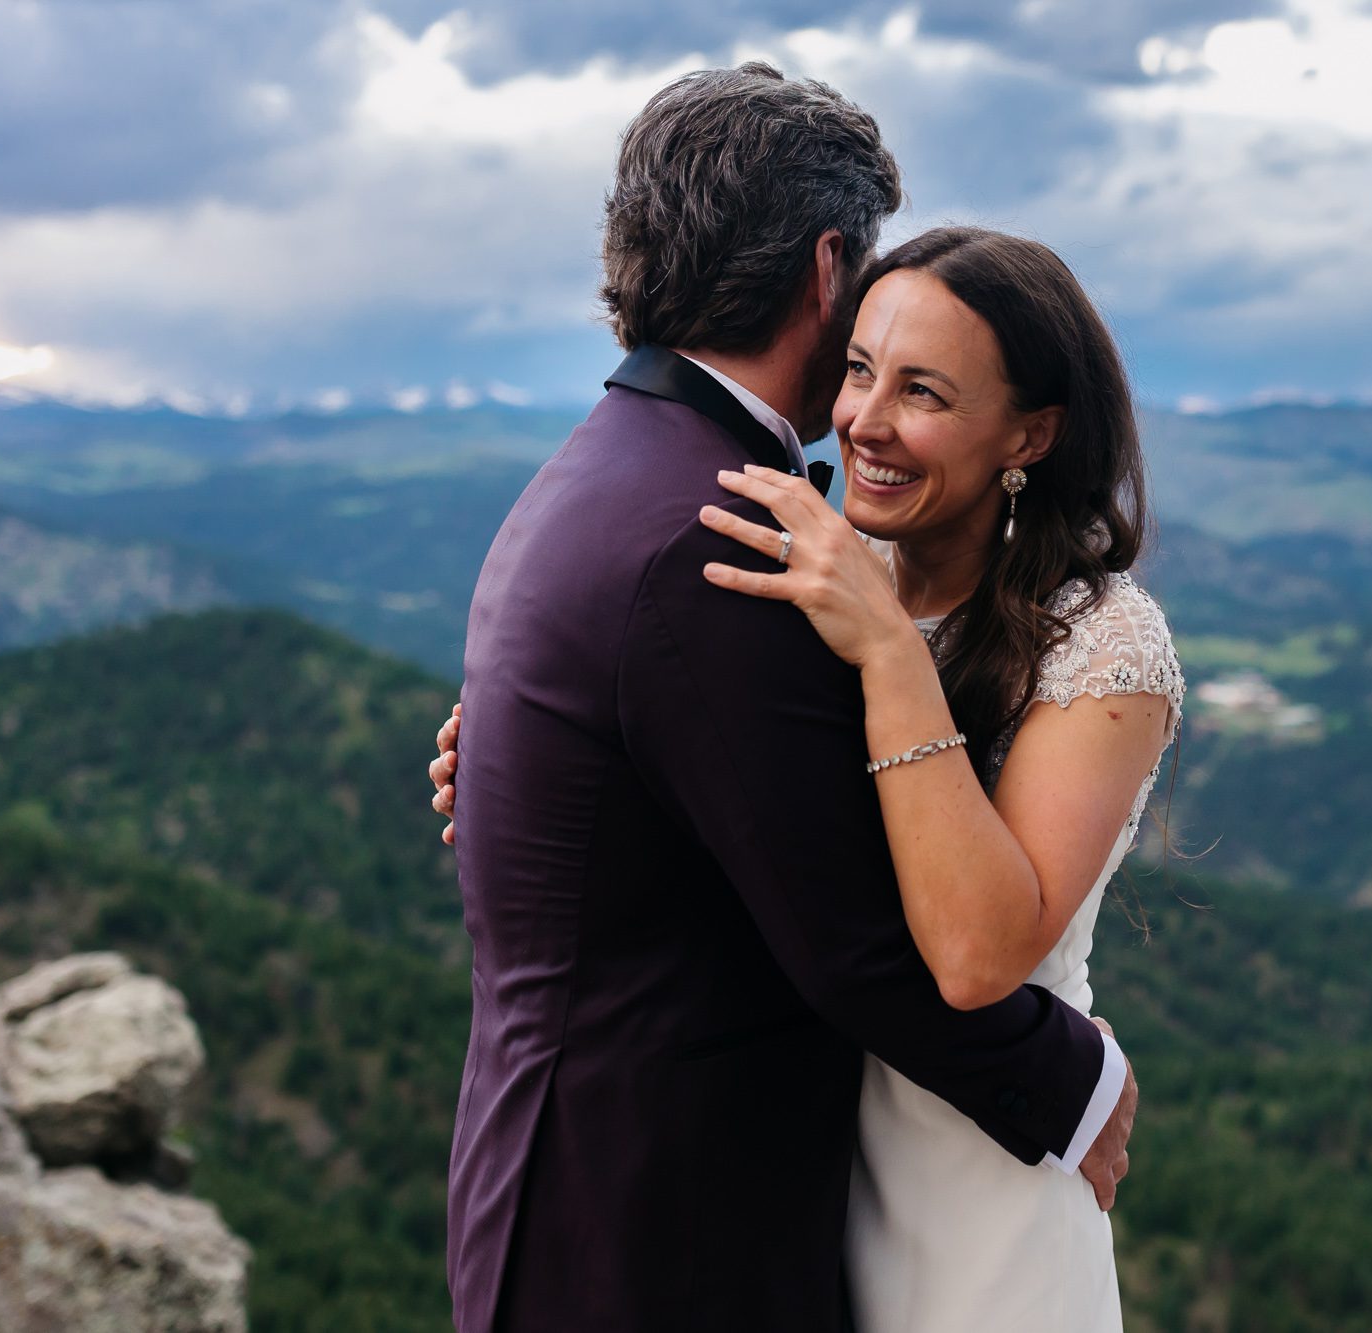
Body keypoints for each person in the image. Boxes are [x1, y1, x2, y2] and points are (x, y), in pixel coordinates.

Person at [433, 64, 1141, 1333]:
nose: (868, 414)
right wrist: (1071, 1078)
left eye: (920, 387)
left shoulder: (619, 469)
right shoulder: (716, 529)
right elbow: (848, 930)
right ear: (827, 271)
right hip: (649, 1225)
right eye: (867, 354)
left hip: (606, 1191)